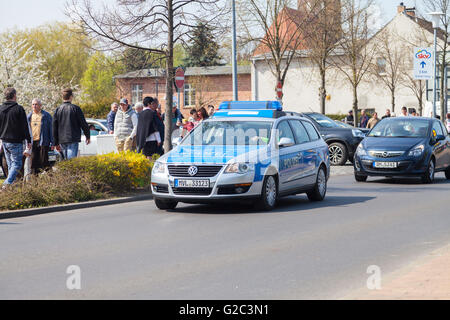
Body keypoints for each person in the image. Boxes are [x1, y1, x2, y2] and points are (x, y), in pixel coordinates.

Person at [0, 87, 32, 186]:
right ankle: (7, 183)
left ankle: (11, 187)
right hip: (15, 141)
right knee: (17, 164)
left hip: (4, 140)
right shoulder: (19, 109)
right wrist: (29, 140)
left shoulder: (0, 109)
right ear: (14, 95)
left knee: (11, 165)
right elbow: (24, 126)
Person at [53, 88, 90, 160]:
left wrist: (56, 142)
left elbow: (54, 127)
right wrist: (87, 136)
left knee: (64, 162)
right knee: (71, 162)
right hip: (73, 138)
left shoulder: (57, 110)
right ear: (71, 97)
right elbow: (83, 123)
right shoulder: (76, 108)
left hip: (62, 139)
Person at [27, 99, 53, 174]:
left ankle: (51, 179)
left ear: (40, 106)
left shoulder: (46, 115)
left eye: (36, 104)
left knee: (44, 162)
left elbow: (51, 130)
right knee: (34, 163)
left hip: (43, 142)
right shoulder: (29, 116)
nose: (34, 106)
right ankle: (35, 182)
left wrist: (53, 142)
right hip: (33, 143)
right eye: (33, 104)